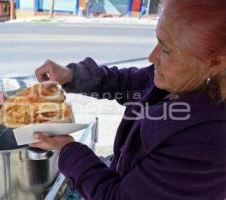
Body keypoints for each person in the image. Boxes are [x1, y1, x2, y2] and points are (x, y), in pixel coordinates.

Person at [32, 0, 226, 199]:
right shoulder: (183, 77)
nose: (152, 57)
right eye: (158, 41)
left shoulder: (207, 143)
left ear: (215, 61)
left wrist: (68, 149)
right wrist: (70, 75)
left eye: (166, 50)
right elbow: (127, 83)